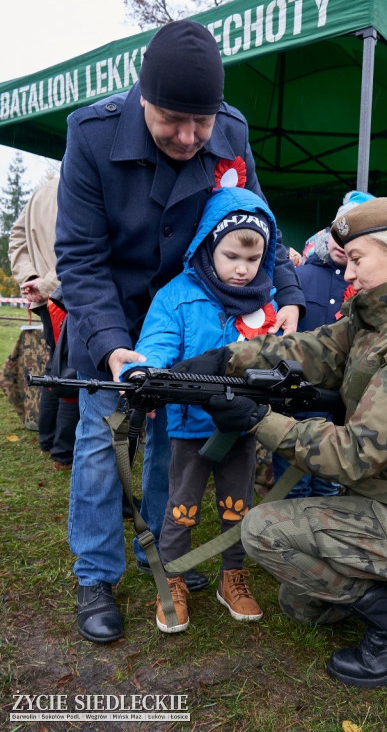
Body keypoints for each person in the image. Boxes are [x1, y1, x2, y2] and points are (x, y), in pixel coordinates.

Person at [55, 19, 304, 644]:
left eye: (203, 121)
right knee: (99, 435)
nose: (191, 137)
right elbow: (81, 260)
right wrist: (114, 347)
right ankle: (96, 573)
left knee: (177, 434)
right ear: (143, 97)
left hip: (193, 312)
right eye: (173, 120)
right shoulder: (91, 134)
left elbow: (257, 215)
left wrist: (292, 295)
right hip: (110, 310)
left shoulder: (232, 132)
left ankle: (163, 554)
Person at [182, 197, 387, 689]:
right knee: (302, 604)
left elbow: (355, 453)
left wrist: (259, 418)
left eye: (357, 260)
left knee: (264, 531)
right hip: (385, 501)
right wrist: (225, 359)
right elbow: (313, 348)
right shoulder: (379, 317)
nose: (347, 275)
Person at [121, 186, 278, 632]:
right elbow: (156, 342)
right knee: (180, 507)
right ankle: (171, 581)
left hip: (243, 428)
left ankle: (233, 577)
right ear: (209, 245)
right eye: (232, 256)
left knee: (238, 507)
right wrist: (144, 373)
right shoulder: (177, 296)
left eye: (253, 259)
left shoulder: (266, 302)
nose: (244, 270)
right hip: (189, 430)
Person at [273, 191, 376, 498]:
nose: (340, 244)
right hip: (298, 395)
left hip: (343, 400)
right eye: (337, 232)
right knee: (293, 475)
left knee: (329, 479)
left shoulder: (367, 284)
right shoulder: (297, 276)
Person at [8, 178, 79, 469]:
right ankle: (62, 451)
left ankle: (50, 441)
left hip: (49, 294)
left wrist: (30, 278)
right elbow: (78, 248)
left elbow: (17, 238)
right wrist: (40, 282)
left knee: (57, 365)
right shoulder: (81, 185)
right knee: (70, 370)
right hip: (67, 294)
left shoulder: (41, 190)